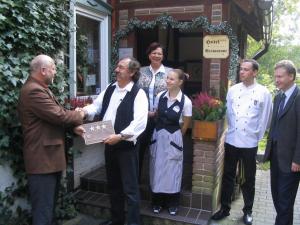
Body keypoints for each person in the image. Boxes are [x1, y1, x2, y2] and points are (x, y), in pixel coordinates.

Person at [77, 57, 148, 225]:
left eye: (121, 67)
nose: (116, 70)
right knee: (114, 186)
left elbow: (140, 122)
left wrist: (121, 136)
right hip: (110, 145)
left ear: (131, 72)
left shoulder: (139, 93)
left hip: (126, 148)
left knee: (130, 190)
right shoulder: (110, 88)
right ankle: (117, 221)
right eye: (117, 66)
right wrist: (83, 112)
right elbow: (96, 106)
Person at [18, 54, 85, 225]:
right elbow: (58, 115)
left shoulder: (40, 88)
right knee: (43, 213)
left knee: (48, 211)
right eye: (54, 68)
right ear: (43, 70)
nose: (55, 72)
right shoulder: (34, 90)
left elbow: (53, 117)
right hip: (42, 161)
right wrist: (80, 114)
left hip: (48, 160)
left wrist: (73, 127)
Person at [211, 59, 273, 225]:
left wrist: (255, 137)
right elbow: (229, 114)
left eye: (246, 70)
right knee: (228, 176)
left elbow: (265, 119)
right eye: (241, 69)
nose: (242, 72)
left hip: (249, 143)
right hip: (232, 140)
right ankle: (224, 208)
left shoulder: (263, 92)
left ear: (254, 72)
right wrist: (231, 132)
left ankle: (248, 211)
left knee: (248, 179)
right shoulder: (232, 90)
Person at [149, 69, 192, 216]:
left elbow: (185, 126)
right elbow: (156, 114)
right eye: (167, 78)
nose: (167, 81)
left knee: (173, 170)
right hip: (158, 136)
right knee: (157, 169)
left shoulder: (186, 102)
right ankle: (157, 201)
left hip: (174, 137)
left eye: (172, 79)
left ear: (180, 82)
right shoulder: (160, 96)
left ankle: (173, 202)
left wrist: (175, 137)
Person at [263, 60, 300, 225]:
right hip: (276, 157)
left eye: (280, 76)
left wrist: (297, 160)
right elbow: (274, 126)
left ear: (291, 76)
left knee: (285, 202)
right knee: (278, 197)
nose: (276, 80)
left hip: (291, 161)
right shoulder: (278, 97)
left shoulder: (298, 98)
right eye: (275, 76)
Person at [137, 42, 172, 180]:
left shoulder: (170, 72)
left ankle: (159, 181)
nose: (156, 55)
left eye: (159, 53)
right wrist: (145, 112)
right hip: (143, 117)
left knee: (161, 151)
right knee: (140, 149)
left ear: (163, 56)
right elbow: (135, 93)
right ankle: (137, 179)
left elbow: (174, 94)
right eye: (154, 53)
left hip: (162, 118)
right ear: (149, 54)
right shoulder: (140, 71)